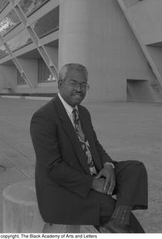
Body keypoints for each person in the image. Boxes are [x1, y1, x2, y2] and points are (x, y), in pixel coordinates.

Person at [30, 63, 148, 233]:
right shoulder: (44, 117)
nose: (79, 89)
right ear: (60, 83)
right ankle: (122, 225)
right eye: (73, 83)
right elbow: (52, 167)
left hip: (94, 171)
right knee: (108, 205)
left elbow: (95, 146)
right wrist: (92, 183)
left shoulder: (83, 112)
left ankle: (116, 222)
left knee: (135, 169)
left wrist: (108, 166)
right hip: (64, 188)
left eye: (84, 85)